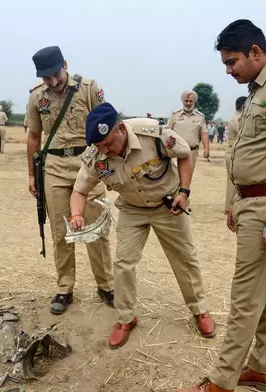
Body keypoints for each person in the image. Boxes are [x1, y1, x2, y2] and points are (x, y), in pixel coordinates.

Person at [178, 19, 266, 392]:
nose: (228, 71)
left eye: (232, 62)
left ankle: (222, 381)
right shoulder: (257, 90)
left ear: (255, 52)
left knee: (244, 297)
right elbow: (244, 153)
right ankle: (264, 368)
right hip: (250, 203)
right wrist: (232, 204)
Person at [70, 102, 215, 349]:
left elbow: (184, 154)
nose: (106, 151)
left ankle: (200, 311)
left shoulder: (153, 133)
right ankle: (126, 318)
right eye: (99, 147)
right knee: (123, 263)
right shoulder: (97, 156)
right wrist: (76, 215)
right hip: (132, 209)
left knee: (184, 257)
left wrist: (185, 191)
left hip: (168, 206)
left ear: (121, 130)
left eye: (108, 144)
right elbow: (79, 189)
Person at [24, 46, 114, 315]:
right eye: (46, 78)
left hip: (88, 164)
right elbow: (33, 137)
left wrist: (107, 164)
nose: (52, 82)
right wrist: (31, 174)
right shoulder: (36, 97)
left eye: (55, 74)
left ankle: (106, 285)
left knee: (97, 228)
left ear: (65, 64)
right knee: (61, 232)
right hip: (54, 168)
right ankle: (65, 288)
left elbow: (108, 124)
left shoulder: (88, 88)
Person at [167, 90, 210, 173]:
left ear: (194, 102)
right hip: (176, 151)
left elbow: (204, 134)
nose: (188, 103)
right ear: (183, 102)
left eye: (190, 101)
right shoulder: (174, 115)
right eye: (186, 101)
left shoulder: (200, 117)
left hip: (192, 152)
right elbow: (167, 132)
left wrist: (207, 149)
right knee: (175, 175)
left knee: (187, 177)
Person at [225, 96, 246, 214]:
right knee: (234, 181)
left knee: (231, 181)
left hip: (233, 152)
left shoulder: (237, 117)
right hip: (234, 153)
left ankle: (229, 206)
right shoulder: (238, 119)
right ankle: (230, 207)